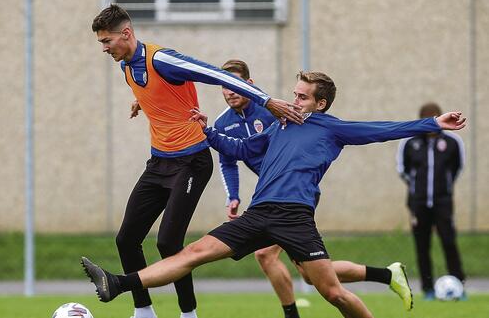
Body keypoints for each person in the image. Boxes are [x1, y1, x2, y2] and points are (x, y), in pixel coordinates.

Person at [82, 71, 466, 318]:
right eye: (294, 94)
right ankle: (120, 284)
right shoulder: (279, 125)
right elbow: (243, 151)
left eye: (302, 97)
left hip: (295, 216)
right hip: (259, 212)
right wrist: (209, 132)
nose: (293, 100)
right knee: (193, 253)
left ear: (320, 104)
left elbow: (383, 129)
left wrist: (433, 123)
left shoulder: (331, 129)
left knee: (330, 291)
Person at [91, 4, 303, 318]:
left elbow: (215, 74)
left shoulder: (161, 59)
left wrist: (267, 100)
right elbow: (161, 95)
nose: (105, 48)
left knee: (168, 243)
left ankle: (188, 314)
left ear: (126, 33)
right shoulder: (125, 66)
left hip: (191, 162)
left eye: (107, 41)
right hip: (159, 163)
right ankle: (144, 312)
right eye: (101, 43)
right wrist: (142, 101)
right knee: (126, 239)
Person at [215, 59, 414, 314]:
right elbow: (229, 160)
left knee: (265, 255)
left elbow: (321, 130)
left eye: (235, 84)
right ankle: (387, 275)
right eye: (224, 84)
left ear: (250, 85)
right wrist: (233, 195)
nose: (229, 90)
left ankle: (292, 314)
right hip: (271, 197)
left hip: (294, 197)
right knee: (309, 274)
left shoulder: (272, 110)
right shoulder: (222, 123)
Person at [396, 102, 466, 300]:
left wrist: (444, 187)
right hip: (418, 203)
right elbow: (403, 170)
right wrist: (418, 188)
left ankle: (459, 285)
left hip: (443, 202)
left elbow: (457, 168)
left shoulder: (452, 142)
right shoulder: (410, 143)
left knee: (448, 241)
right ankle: (427, 288)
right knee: (422, 245)